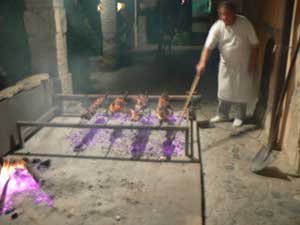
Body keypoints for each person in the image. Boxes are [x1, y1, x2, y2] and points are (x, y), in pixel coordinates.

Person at [196, 1, 259, 127]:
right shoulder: (217, 26)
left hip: (243, 64)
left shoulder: (244, 23)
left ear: (234, 14)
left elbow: (255, 45)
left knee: (241, 91)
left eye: (227, 14)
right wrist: (202, 62)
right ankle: (222, 114)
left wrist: (253, 62)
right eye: (221, 14)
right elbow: (208, 47)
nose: (224, 17)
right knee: (224, 90)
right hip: (226, 64)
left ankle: (240, 116)